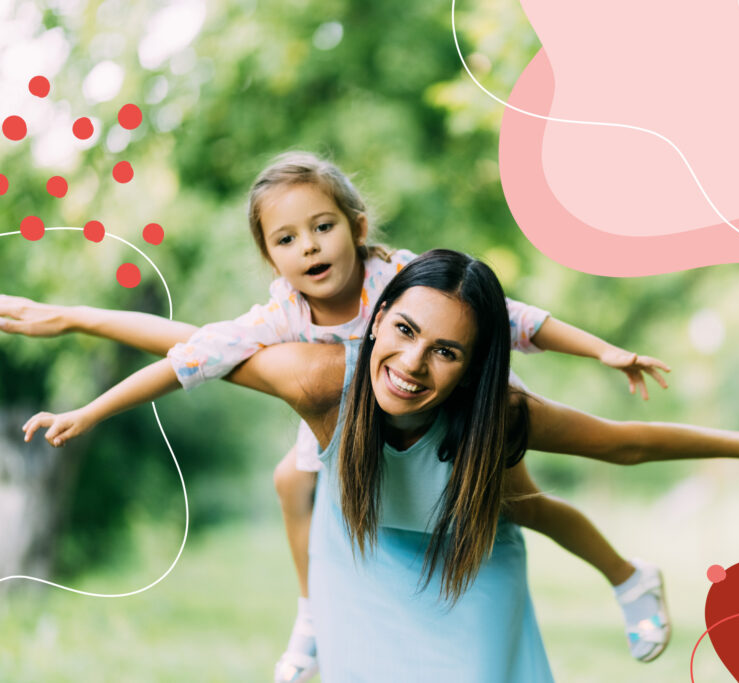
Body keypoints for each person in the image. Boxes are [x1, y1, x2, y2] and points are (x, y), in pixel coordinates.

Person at [1, 151, 677, 680]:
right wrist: (89, 406)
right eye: (287, 238)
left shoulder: (400, 276)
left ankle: (627, 574)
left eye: (323, 226)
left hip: (453, 406)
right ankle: (310, 614)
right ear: (271, 257)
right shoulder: (280, 317)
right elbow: (188, 356)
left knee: (525, 503)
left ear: (357, 226)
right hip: (353, 418)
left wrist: (603, 350)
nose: (311, 246)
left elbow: (516, 319)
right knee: (291, 481)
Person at [23, 249, 739, 681]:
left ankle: (627, 577)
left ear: (477, 367)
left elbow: (622, 442)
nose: (414, 364)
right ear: (376, 321)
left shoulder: (503, 417)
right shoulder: (319, 380)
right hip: (366, 571)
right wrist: (64, 318)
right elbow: (194, 344)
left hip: (470, 574)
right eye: (404, 330)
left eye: (447, 350)